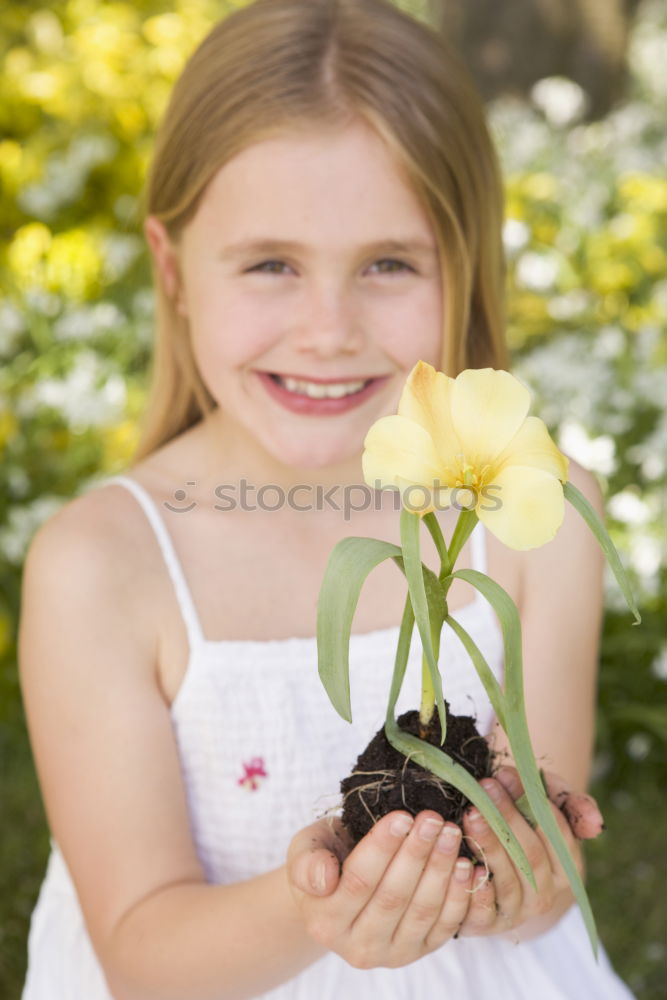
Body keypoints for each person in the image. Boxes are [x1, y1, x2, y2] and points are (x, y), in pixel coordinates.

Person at [18, 1, 635, 997]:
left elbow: (547, 877)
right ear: (173, 270)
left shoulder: (539, 510)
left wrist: (521, 873)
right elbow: (140, 950)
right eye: (271, 264)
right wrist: (321, 908)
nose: (326, 329)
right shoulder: (103, 566)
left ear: (465, 266)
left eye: (388, 264)